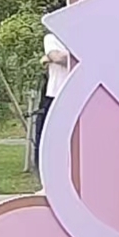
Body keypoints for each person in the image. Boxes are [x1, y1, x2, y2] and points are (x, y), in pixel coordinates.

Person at [38, 27, 70, 165]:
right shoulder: (52, 38)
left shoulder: (81, 36)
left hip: (75, 94)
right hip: (55, 95)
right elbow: (57, 57)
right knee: (51, 135)